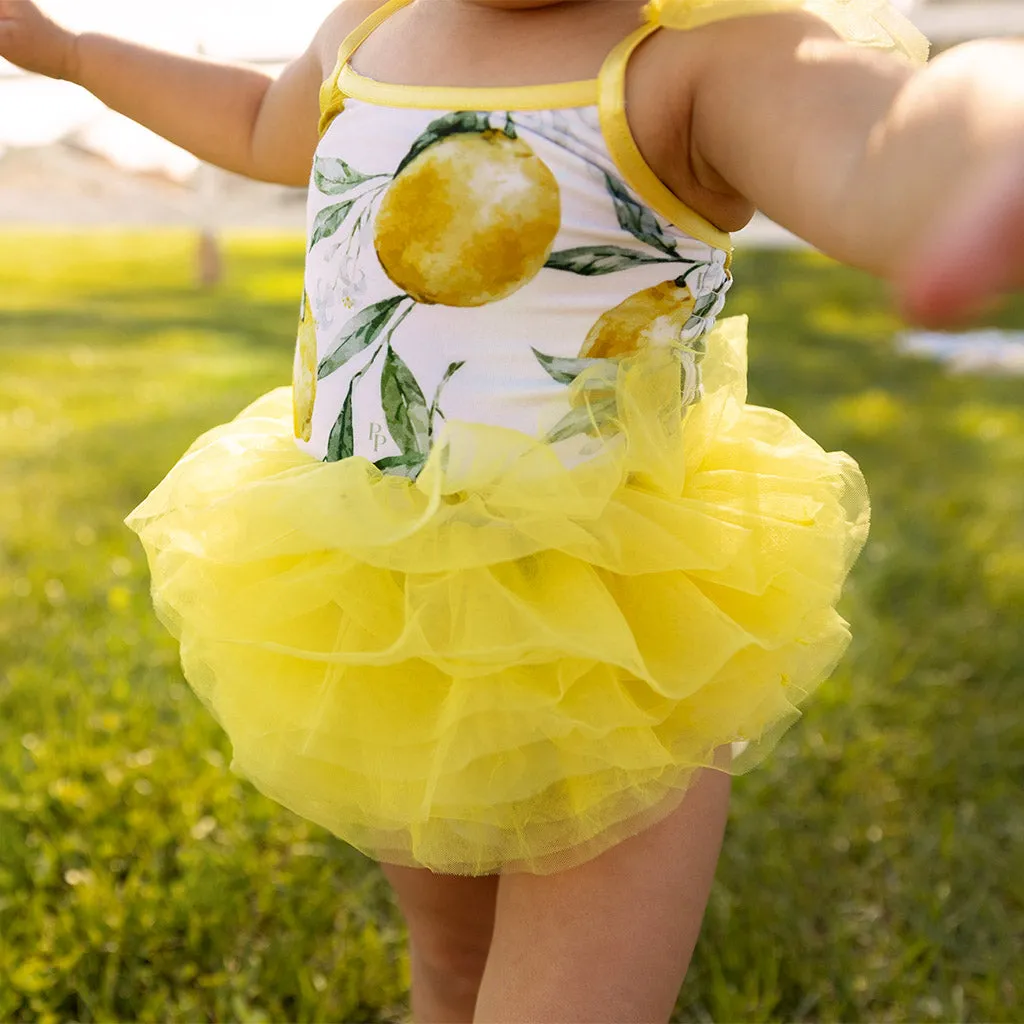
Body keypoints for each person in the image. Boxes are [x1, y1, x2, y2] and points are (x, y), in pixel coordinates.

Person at [2, 0, 1022, 1019]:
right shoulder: (373, 24)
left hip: (620, 640)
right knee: (450, 958)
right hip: (384, 611)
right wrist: (75, 52)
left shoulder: (695, 60)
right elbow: (260, 121)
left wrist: (989, 140)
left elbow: (879, 141)